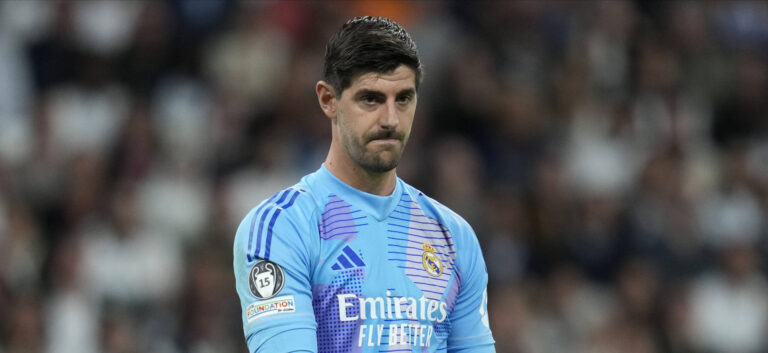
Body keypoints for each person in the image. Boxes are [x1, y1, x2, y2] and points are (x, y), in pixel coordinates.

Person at [233, 16, 495, 353]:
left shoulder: (453, 236)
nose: (390, 119)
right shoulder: (282, 227)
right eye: (371, 99)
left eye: (403, 99)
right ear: (328, 99)